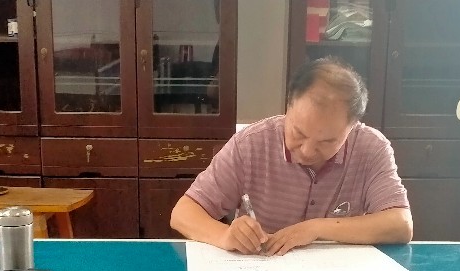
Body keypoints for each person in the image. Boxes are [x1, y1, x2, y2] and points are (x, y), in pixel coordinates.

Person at [170, 57, 413, 255]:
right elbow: (183, 213)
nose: (307, 151)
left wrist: (316, 229)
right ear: (288, 106)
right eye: (299, 133)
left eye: (327, 142)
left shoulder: (371, 148)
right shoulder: (250, 145)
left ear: (352, 127)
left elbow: (401, 224)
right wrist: (225, 235)